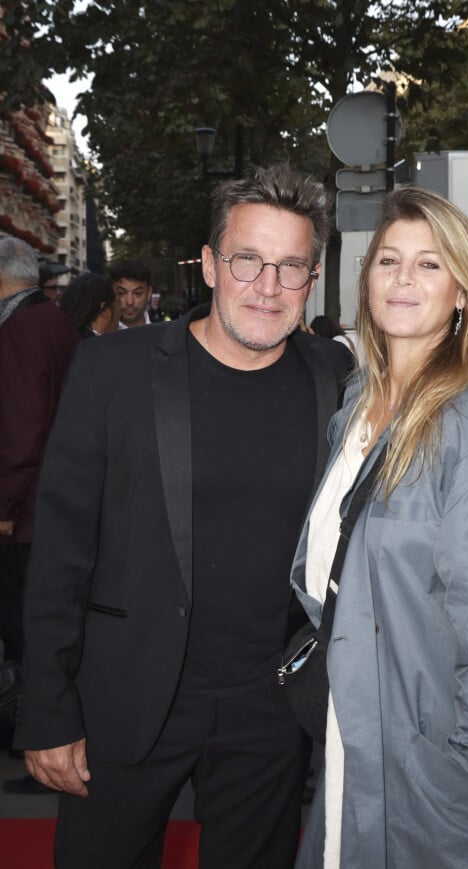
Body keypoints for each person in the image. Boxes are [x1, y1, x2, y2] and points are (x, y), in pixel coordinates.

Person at [14, 164, 352, 869]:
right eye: (247, 260)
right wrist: (47, 707)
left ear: (313, 278)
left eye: (290, 267)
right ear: (208, 263)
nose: (267, 286)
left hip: (271, 709)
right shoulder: (116, 371)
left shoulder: (335, 380)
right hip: (126, 697)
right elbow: (61, 548)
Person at [290, 187, 468, 868]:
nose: (404, 278)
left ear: (465, 293)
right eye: (388, 260)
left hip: (442, 786)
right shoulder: (356, 408)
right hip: (358, 744)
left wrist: (460, 785)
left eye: (430, 264)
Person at [0, 238, 79, 744]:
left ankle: (34, 733)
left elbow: (21, 427)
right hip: (48, 501)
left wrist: (4, 506)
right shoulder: (51, 320)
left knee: (25, 629)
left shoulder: (20, 329)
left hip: (25, 510)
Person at [60, 272, 120, 338]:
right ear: (105, 312)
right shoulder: (100, 346)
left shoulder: (62, 339)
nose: (121, 309)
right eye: (118, 302)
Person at [109, 259, 153, 328]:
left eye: (137, 293)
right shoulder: (100, 336)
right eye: (121, 293)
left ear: (149, 293)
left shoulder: (165, 334)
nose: (130, 302)